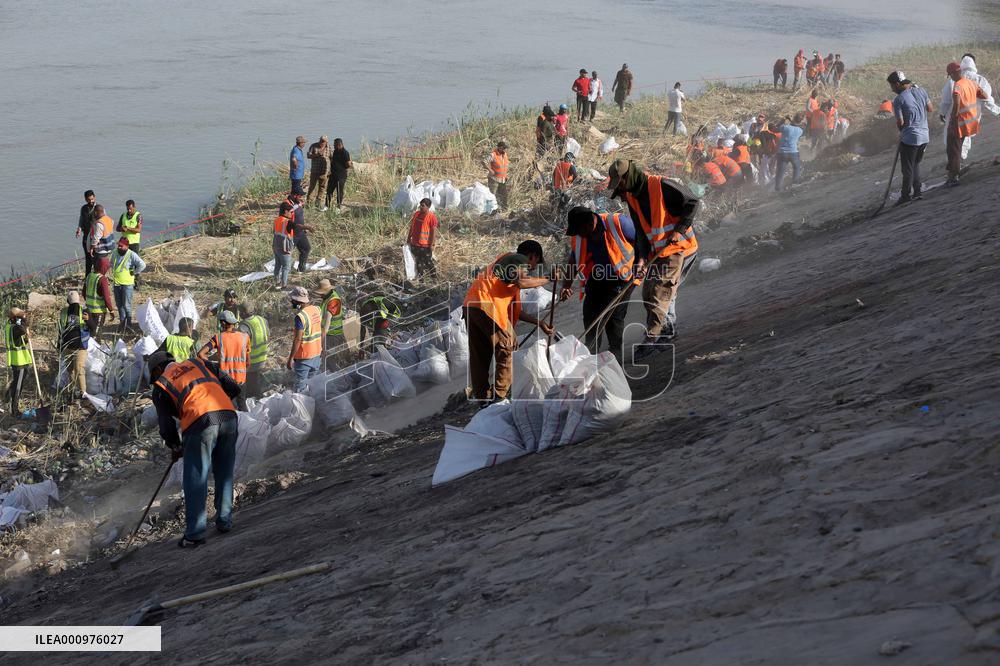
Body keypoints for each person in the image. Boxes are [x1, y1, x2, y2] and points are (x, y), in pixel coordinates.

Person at [148, 351, 240, 548]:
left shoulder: (161, 383)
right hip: (229, 417)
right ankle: (224, 520)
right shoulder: (200, 363)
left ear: (157, 369)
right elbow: (233, 387)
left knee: (196, 477)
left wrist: (175, 445)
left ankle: (195, 534)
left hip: (200, 422)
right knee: (224, 472)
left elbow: (166, 426)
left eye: (153, 375)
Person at [607, 160, 699, 348]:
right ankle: (665, 330)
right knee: (649, 292)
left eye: (620, 188)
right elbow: (641, 232)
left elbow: (693, 202)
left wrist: (679, 229)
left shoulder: (661, 185)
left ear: (628, 177)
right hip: (659, 252)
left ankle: (661, 335)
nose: (622, 197)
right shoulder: (633, 199)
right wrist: (640, 259)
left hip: (680, 247)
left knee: (661, 292)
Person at [462, 241, 553, 402]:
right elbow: (522, 282)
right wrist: (548, 278)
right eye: (535, 263)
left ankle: (483, 399)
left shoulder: (503, 266)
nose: (532, 268)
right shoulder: (518, 259)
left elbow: (515, 310)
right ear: (532, 256)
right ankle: (500, 396)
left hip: (471, 307)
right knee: (508, 346)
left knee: (480, 356)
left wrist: (539, 323)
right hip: (487, 306)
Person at [561, 207, 635, 359]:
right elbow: (573, 261)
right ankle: (591, 357)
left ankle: (615, 356)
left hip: (622, 278)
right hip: (596, 279)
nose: (579, 235)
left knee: (613, 318)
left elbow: (642, 241)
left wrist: (642, 262)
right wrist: (566, 286)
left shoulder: (618, 223)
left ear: (590, 223)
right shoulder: (579, 236)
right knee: (591, 318)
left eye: (580, 230)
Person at [939, 55, 998, 176]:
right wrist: (997, 110)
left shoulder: (954, 83)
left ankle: (954, 174)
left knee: (953, 146)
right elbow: (986, 99)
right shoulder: (979, 81)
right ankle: (955, 165)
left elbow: (948, 102)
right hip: (971, 118)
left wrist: (943, 115)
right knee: (963, 142)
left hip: (957, 119)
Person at [944, 61, 986, 186]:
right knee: (957, 147)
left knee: (954, 150)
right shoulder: (972, 83)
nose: (950, 77)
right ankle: (952, 170)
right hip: (970, 122)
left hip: (959, 123)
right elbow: (984, 95)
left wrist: (952, 120)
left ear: (953, 73)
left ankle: (954, 177)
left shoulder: (957, 85)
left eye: (950, 74)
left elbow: (956, 104)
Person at [197, 310, 250, 407]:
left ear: (223, 323)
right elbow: (248, 362)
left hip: (226, 382)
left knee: (229, 408)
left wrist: (213, 366)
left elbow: (201, 354)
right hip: (241, 380)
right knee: (242, 406)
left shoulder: (218, 338)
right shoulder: (245, 338)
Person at [286, 286, 322, 391]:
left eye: (293, 300)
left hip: (304, 357)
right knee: (313, 386)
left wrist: (290, 359)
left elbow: (297, 339)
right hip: (316, 354)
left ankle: (302, 407)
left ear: (298, 301)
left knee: (300, 387)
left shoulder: (300, 317)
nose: (291, 302)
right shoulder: (317, 309)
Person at [110, 237, 146, 333]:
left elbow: (142, 265)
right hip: (117, 283)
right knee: (119, 305)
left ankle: (129, 324)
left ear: (127, 246)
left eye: (121, 246)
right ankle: (122, 323)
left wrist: (134, 272)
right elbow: (111, 264)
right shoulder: (115, 252)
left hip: (128, 284)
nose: (119, 247)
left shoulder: (131, 254)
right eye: (119, 245)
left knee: (127, 305)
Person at [58, 292, 88, 400]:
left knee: (79, 369)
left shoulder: (84, 312)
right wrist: (60, 346)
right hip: (67, 346)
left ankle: (83, 393)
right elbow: (60, 330)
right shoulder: (63, 312)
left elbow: (92, 327)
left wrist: (88, 320)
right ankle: (72, 392)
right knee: (70, 370)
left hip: (80, 347)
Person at [237, 304, 269, 398]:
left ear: (243, 313)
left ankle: (255, 398)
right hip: (263, 356)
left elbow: (242, 346)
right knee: (255, 378)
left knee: (251, 382)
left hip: (252, 360)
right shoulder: (262, 319)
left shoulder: (244, 325)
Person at [5, 308, 32, 416]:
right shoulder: (14, 328)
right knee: (18, 386)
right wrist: (22, 318)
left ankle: (7, 395)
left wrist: (26, 339)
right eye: (20, 315)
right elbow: (21, 330)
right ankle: (14, 410)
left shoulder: (13, 326)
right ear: (16, 317)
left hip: (22, 360)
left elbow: (19, 341)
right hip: (18, 361)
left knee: (18, 383)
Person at [313, 279, 345, 364]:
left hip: (333, 335)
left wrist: (321, 343)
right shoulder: (327, 298)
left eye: (321, 293)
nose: (320, 295)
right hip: (327, 334)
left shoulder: (333, 301)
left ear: (327, 291)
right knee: (326, 359)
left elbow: (327, 324)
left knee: (330, 360)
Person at [83, 257, 116, 341]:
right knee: (96, 334)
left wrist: (89, 302)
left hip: (88, 310)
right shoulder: (102, 279)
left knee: (89, 332)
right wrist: (111, 310)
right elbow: (106, 297)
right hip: (99, 312)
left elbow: (83, 292)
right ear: (104, 267)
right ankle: (96, 351)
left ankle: (87, 350)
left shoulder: (89, 276)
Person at [407, 198, 439, 278]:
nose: (420, 207)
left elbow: (433, 232)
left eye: (423, 206)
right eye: (420, 205)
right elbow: (412, 227)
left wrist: (432, 244)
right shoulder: (416, 214)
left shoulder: (432, 217)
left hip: (425, 245)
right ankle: (421, 280)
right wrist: (409, 238)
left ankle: (434, 278)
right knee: (418, 262)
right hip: (415, 243)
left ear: (428, 207)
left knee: (428, 262)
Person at [284, 191, 315, 272]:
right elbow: (285, 218)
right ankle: (282, 271)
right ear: (294, 195)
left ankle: (301, 269)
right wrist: (305, 227)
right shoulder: (287, 205)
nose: (301, 197)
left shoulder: (298, 203)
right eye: (300, 195)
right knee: (286, 253)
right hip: (292, 234)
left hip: (300, 233)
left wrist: (304, 229)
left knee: (306, 248)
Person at [775, 114, 804, 191]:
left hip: (782, 153)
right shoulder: (800, 131)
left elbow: (776, 128)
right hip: (794, 152)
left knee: (780, 172)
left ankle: (777, 189)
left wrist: (783, 120)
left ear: (794, 118)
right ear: (800, 121)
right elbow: (795, 125)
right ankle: (795, 184)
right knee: (797, 167)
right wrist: (791, 120)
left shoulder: (785, 127)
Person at [325, 138, 352, 211]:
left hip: (341, 176)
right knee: (329, 190)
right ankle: (326, 206)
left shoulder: (345, 153)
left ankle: (338, 207)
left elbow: (349, 164)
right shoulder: (335, 151)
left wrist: (342, 168)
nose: (333, 146)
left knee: (339, 191)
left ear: (339, 144)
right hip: (333, 175)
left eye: (334, 145)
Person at [272, 207, 295, 289]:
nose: (292, 214)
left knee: (277, 265)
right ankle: (284, 285)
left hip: (276, 246)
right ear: (286, 211)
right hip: (285, 247)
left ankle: (277, 282)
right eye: (291, 212)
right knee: (286, 267)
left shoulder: (276, 220)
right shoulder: (288, 222)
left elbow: (274, 232)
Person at [306, 135, 331, 209]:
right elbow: (308, 156)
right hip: (315, 171)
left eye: (323, 141)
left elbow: (331, 157)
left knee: (322, 187)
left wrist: (330, 170)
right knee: (312, 187)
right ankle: (309, 203)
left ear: (326, 142)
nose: (321, 142)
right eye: (321, 140)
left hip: (325, 172)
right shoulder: (313, 146)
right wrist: (317, 155)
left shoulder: (329, 147)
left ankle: (318, 202)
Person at [77, 190, 99, 275]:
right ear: (85, 199)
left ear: (94, 197)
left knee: (96, 257)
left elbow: (104, 221)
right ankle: (88, 276)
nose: (91, 201)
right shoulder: (83, 208)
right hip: (86, 236)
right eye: (89, 200)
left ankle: (97, 276)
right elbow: (81, 219)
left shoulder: (99, 208)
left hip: (96, 238)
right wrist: (79, 229)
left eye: (92, 199)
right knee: (88, 258)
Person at [486, 141, 509, 211]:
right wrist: (490, 170)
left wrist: (506, 175)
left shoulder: (504, 155)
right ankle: (490, 210)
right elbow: (483, 161)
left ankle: (504, 209)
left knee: (504, 195)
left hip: (503, 179)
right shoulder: (493, 154)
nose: (505, 150)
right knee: (492, 195)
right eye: (504, 148)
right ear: (499, 147)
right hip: (494, 179)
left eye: (505, 148)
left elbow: (504, 166)